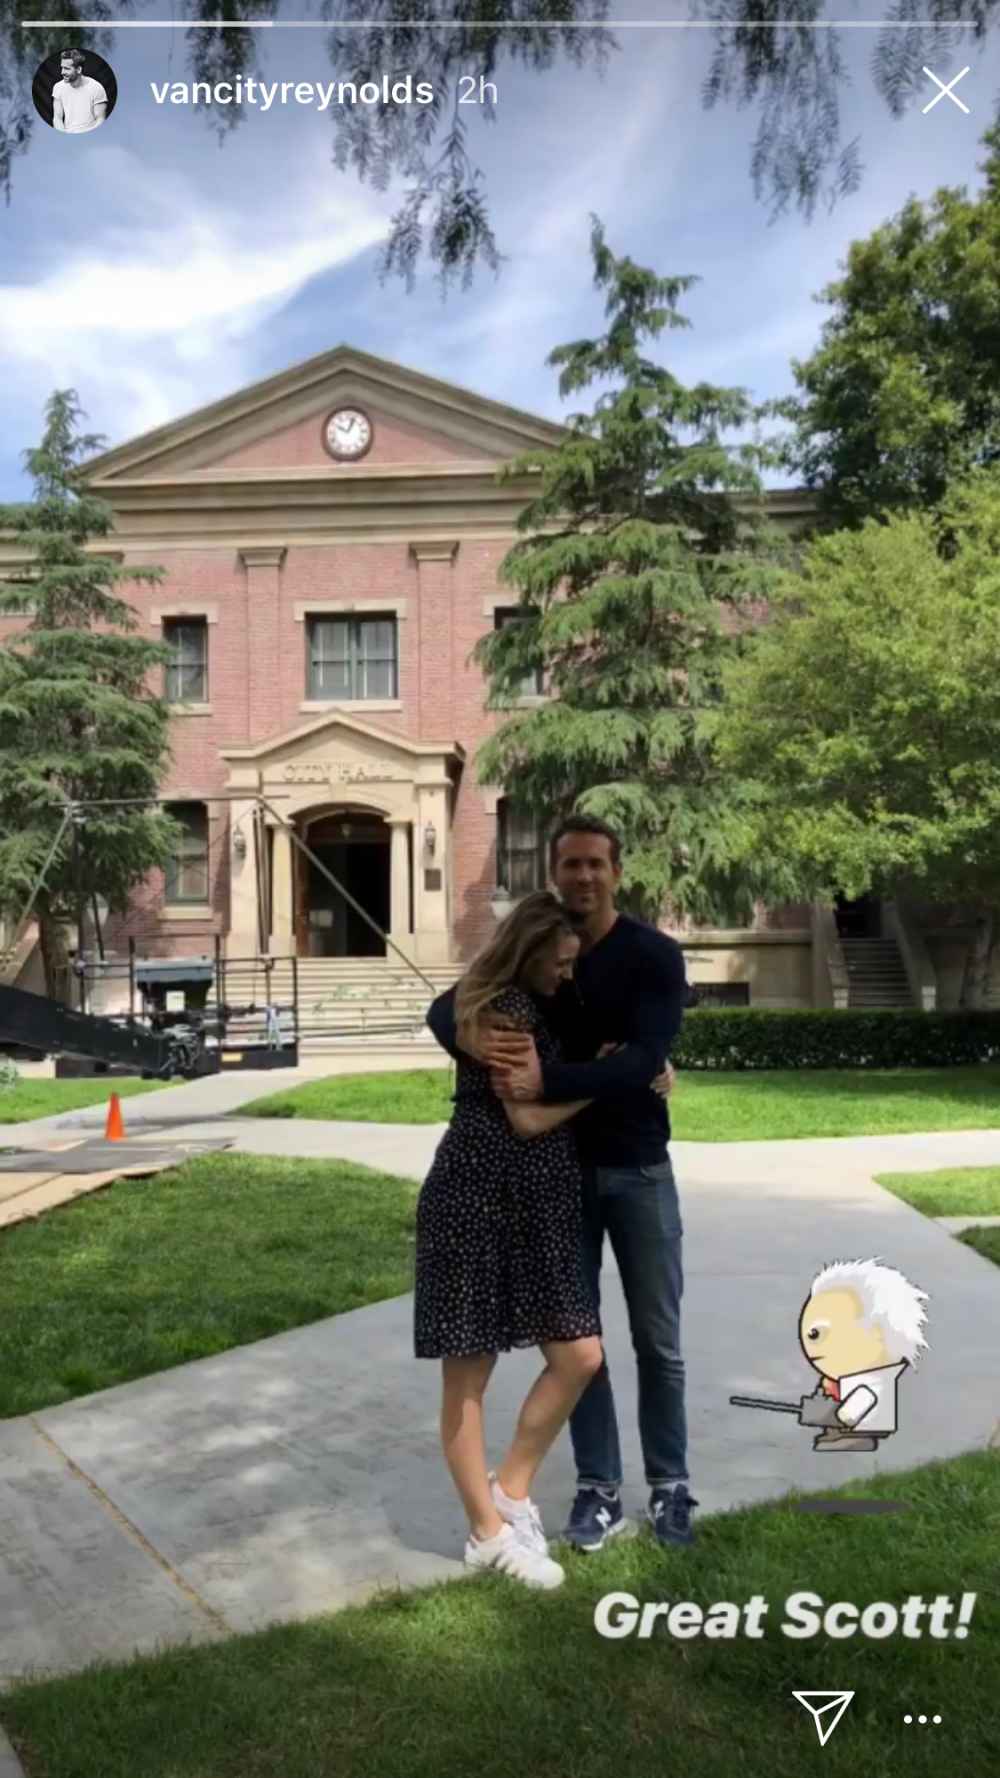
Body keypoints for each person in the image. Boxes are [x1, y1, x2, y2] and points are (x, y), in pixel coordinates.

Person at [426, 813, 696, 1550]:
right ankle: (598, 1487)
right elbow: (454, 1003)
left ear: (617, 871)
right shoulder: (541, 956)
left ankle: (671, 1486)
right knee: (582, 1344)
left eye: (595, 864)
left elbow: (644, 1055)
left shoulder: (652, 956)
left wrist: (561, 1078)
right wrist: (458, 1029)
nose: (583, 876)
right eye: (570, 864)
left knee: (658, 1341)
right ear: (556, 873)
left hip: (639, 1167)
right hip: (562, 1174)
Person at [52, 49, 108, 133]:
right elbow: (57, 117)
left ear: (78, 69)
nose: (62, 72)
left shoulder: (96, 88)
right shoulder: (58, 87)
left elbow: (100, 119)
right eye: (62, 68)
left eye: (66, 68)